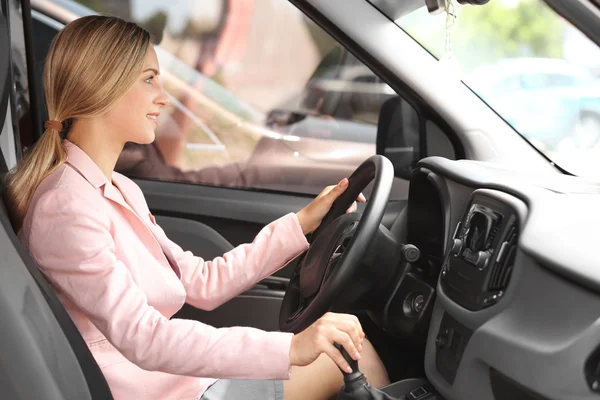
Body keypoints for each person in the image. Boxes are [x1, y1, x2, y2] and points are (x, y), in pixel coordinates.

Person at [3, 15, 389, 400]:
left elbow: (201, 281)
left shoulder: (118, 187)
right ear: (103, 84)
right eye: (149, 79)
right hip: (151, 394)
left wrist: (302, 223)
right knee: (354, 355)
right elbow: (146, 337)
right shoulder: (65, 207)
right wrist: (291, 348)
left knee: (347, 349)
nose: (163, 97)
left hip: (177, 383)